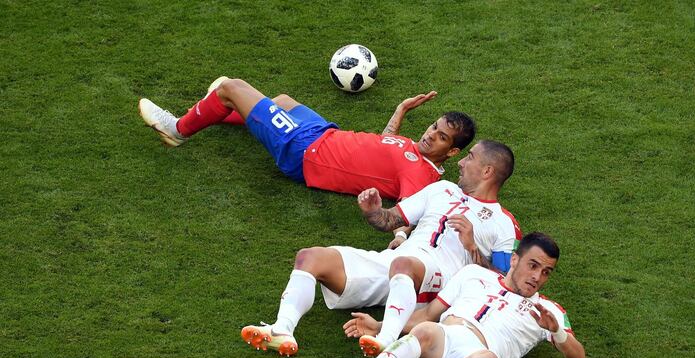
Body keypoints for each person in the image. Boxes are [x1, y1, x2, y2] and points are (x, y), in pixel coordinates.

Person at [239, 140, 521, 357]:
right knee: (310, 256)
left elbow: (505, 283)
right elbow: (391, 221)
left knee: (404, 264)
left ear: (487, 171)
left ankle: (386, 338)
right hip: (395, 263)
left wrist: (472, 248)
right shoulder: (441, 189)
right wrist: (373, 211)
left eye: (470, 157)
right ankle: (283, 329)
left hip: (436, 280)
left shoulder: (503, 223)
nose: (461, 162)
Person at [337, 232, 585, 358]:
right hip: (440, 345)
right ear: (514, 259)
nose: (537, 277)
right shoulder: (472, 274)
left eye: (546, 272)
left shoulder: (547, 310)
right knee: (425, 329)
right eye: (533, 265)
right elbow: (428, 313)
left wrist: (557, 332)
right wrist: (380, 326)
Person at [138, 77, 476, 200]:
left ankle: (178, 129)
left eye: (441, 136)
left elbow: (408, 211)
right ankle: (221, 108)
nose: (431, 134)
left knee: (231, 86)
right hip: (324, 133)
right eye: (434, 126)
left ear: (453, 150)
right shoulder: (412, 151)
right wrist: (400, 110)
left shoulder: (421, 177)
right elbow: (385, 144)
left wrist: (399, 236)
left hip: (306, 152)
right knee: (283, 101)